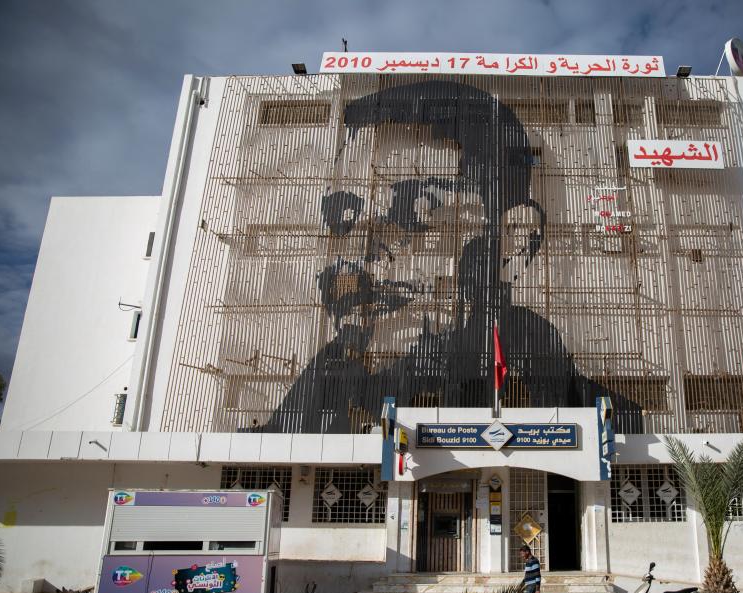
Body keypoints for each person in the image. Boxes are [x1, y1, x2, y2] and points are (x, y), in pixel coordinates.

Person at [262, 80, 638, 434]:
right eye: (349, 223)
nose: (365, 264)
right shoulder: (327, 381)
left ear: (515, 246)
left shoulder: (543, 365)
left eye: (415, 219)